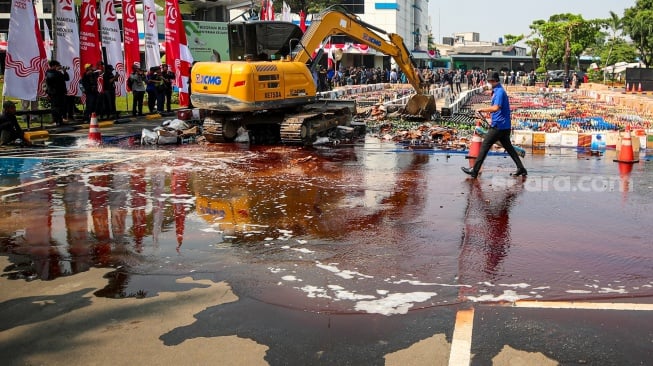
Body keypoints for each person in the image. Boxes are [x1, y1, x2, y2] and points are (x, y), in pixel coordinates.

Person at [461, 71, 527, 178]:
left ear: (495, 81)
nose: (489, 83)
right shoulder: (497, 91)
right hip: (504, 125)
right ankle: (521, 169)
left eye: (490, 81)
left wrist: (482, 109)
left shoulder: (500, 92)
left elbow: (496, 108)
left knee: (485, 146)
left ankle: (475, 170)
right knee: (509, 148)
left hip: (499, 125)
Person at [45, 60, 70, 126]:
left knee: (61, 107)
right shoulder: (49, 72)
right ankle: (56, 120)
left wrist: (64, 72)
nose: (59, 67)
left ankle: (60, 120)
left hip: (61, 92)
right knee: (56, 107)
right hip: (54, 93)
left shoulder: (58, 72)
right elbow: (51, 79)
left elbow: (67, 78)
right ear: (54, 66)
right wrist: (58, 71)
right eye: (58, 66)